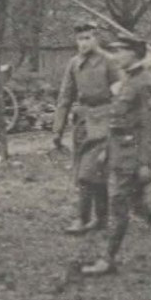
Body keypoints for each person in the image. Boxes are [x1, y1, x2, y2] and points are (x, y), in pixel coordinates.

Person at [81, 35, 151, 277]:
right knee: (137, 205)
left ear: (134, 54)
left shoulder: (144, 82)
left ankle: (107, 259)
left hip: (132, 158)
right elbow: (118, 122)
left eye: (121, 51)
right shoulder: (129, 80)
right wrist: (107, 152)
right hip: (120, 154)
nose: (116, 55)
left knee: (118, 205)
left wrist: (147, 163)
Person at [51, 22, 115, 234]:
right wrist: (57, 130)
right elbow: (65, 97)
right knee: (90, 171)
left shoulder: (108, 62)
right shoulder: (74, 63)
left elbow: (121, 95)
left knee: (88, 173)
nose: (83, 43)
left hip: (104, 121)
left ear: (96, 39)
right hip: (82, 123)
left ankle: (82, 218)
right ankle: (102, 218)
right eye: (80, 39)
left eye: (88, 38)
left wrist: (116, 123)